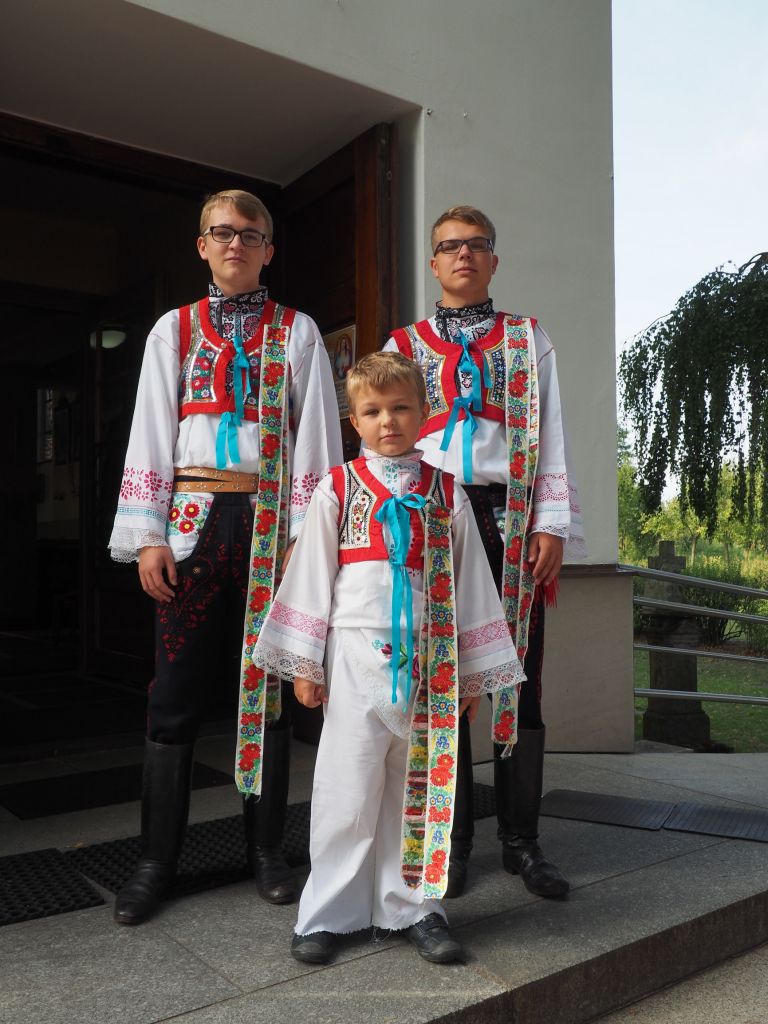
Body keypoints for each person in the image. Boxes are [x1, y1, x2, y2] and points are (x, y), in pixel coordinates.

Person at [109, 189, 342, 925]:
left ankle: (266, 852)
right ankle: (155, 862)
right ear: (202, 246)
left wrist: (309, 534)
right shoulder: (173, 329)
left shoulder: (297, 330)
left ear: (269, 249)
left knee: (266, 687)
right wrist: (148, 533)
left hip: (273, 525)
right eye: (221, 232)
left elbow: (318, 436)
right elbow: (151, 427)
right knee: (173, 690)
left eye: (249, 233)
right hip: (191, 523)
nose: (234, 243)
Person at [252, 351, 524, 965]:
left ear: (424, 413)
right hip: (353, 653)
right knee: (346, 787)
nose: (388, 421)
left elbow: (472, 584)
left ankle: (416, 908)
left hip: (431, 658)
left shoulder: (446, 492)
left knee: (419, 785)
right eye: (373, 411)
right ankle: (327, 913)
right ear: (354, 421)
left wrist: (471, 674)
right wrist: (305, 664)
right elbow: (311, 574)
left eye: (401, 408)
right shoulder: (337, 488)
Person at [386, 205, 586, 901]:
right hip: (434, 515)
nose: (463, 255)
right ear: (434, 263)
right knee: (442, 675)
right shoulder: (403, 344)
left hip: (509, 516)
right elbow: (386, 438)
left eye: (477, 245)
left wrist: (551, 523)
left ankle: (521, 842)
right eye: (450, 246)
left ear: (494, 260)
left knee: (518, 677)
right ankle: (451, 842)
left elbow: (552, 431)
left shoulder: (529, 338)